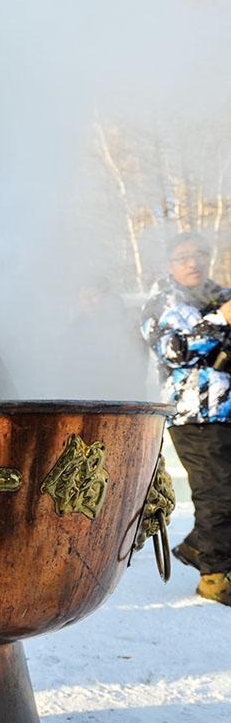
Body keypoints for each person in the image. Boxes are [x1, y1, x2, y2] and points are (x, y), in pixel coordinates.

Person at [142, 231, 231, 606]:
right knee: (217, 494)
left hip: (227, 410)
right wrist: (219, 322)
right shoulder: (162, 302)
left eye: (199, 254)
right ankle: (214, 578)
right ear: (168, 264)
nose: (192, 262)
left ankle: (199, 545)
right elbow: (173, 351)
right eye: (182, 256)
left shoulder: (221, 295)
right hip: (194, 415)